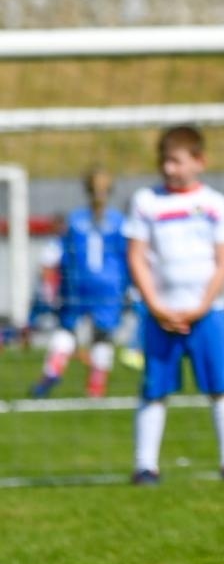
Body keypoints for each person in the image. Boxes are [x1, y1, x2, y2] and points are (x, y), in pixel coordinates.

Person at [126, 127, 224, 486]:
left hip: (207, 313)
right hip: (160, 314)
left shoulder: (214, 204)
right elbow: (137, 257)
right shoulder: (146, 201)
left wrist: (201, 305)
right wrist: (156, 306)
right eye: (164, 160)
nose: (168, 168)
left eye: (176, 161)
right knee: (154, 388)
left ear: (199, 161)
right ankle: (145, 466)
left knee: (222, 386)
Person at [30, 168, 130, 399]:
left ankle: (54, 367)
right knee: (102, 335)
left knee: (67, 329)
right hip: (110, 286)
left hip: (77, 283)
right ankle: (96, 384)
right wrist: (132, 288)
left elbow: (54, 252)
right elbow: (129, 255)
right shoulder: (119, 221)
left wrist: (48, 285)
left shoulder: (75, 220)